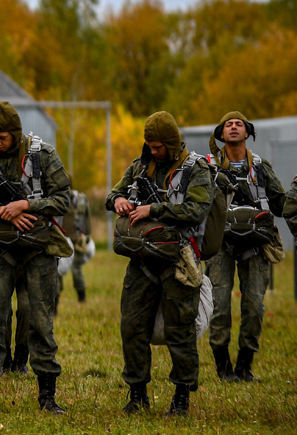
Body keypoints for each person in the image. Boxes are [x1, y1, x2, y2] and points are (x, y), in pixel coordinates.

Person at [0, 101, 71, 415]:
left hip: (39, 250)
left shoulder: (42, 155)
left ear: (16, 133)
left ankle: (47, 396)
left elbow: (63, 198)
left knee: (40, 320)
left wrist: (26, 207)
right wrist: (1, 213)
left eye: (2, 137)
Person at [106, 111, 211, 417]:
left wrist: (154, 209)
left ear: (172, 142)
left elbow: (196, 210)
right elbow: (114, 192)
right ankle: (137, 392)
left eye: (158, 147)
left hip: (179, 259)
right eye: (149, 145)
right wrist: (118, 202)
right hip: (142, 259)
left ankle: (181, 396)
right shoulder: (141, 166)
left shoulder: (196, 168)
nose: (153, 152)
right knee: (132, 326)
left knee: (180, 328)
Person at [204, 112, 286, 383]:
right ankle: (223, 368)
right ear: (221, 134)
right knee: (220, 305)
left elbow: (281, 204)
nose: (234, 127)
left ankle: (244, 367)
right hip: (221, 244)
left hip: (256, 245)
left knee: (254, 306)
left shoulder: (261, 168)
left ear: (248, 132)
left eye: (239, 124)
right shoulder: (209, 167)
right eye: (229, 124)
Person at [57, 190, 93, 306]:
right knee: (76, 269)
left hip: (61, 238)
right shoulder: (81, 199)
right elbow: (88, 226)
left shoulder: (57, 198)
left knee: (57, 270)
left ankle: (55, 305)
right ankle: (81, 298)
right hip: (75, 238)